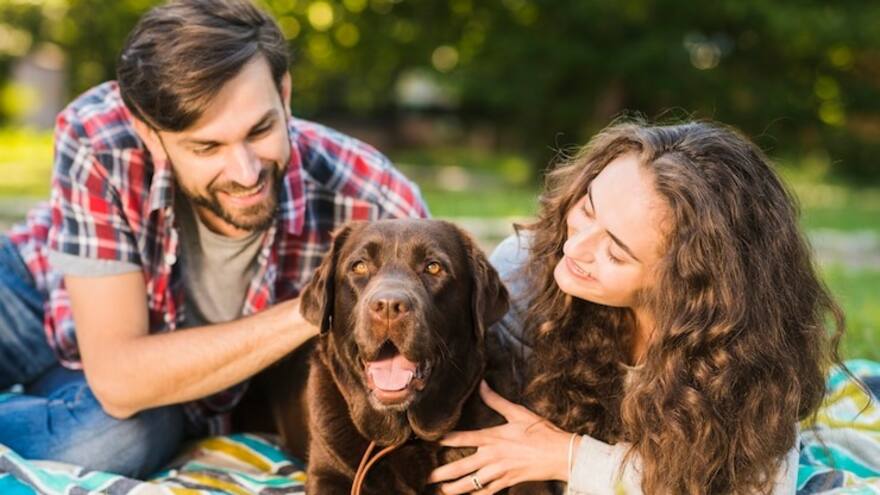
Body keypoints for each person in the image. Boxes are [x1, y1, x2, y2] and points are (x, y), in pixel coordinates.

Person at [0, 0, 427, 478]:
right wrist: (317, 303)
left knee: (117, 441)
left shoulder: (374, 200)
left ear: (284, 93)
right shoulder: (102, 136)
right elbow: (118, 372)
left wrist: (500, 439)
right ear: (149, 133)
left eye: (260, 130)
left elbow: (447, 330)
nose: (245, 172)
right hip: (33, 290)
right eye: (207, 147)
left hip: (153, 389)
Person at [429, 120, 842, 494]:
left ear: (687, 283)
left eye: (616, 252)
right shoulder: (525, 271)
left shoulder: (742, 352)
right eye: (587, 208)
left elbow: (756, 488)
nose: (575, 248)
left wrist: (570, 456)